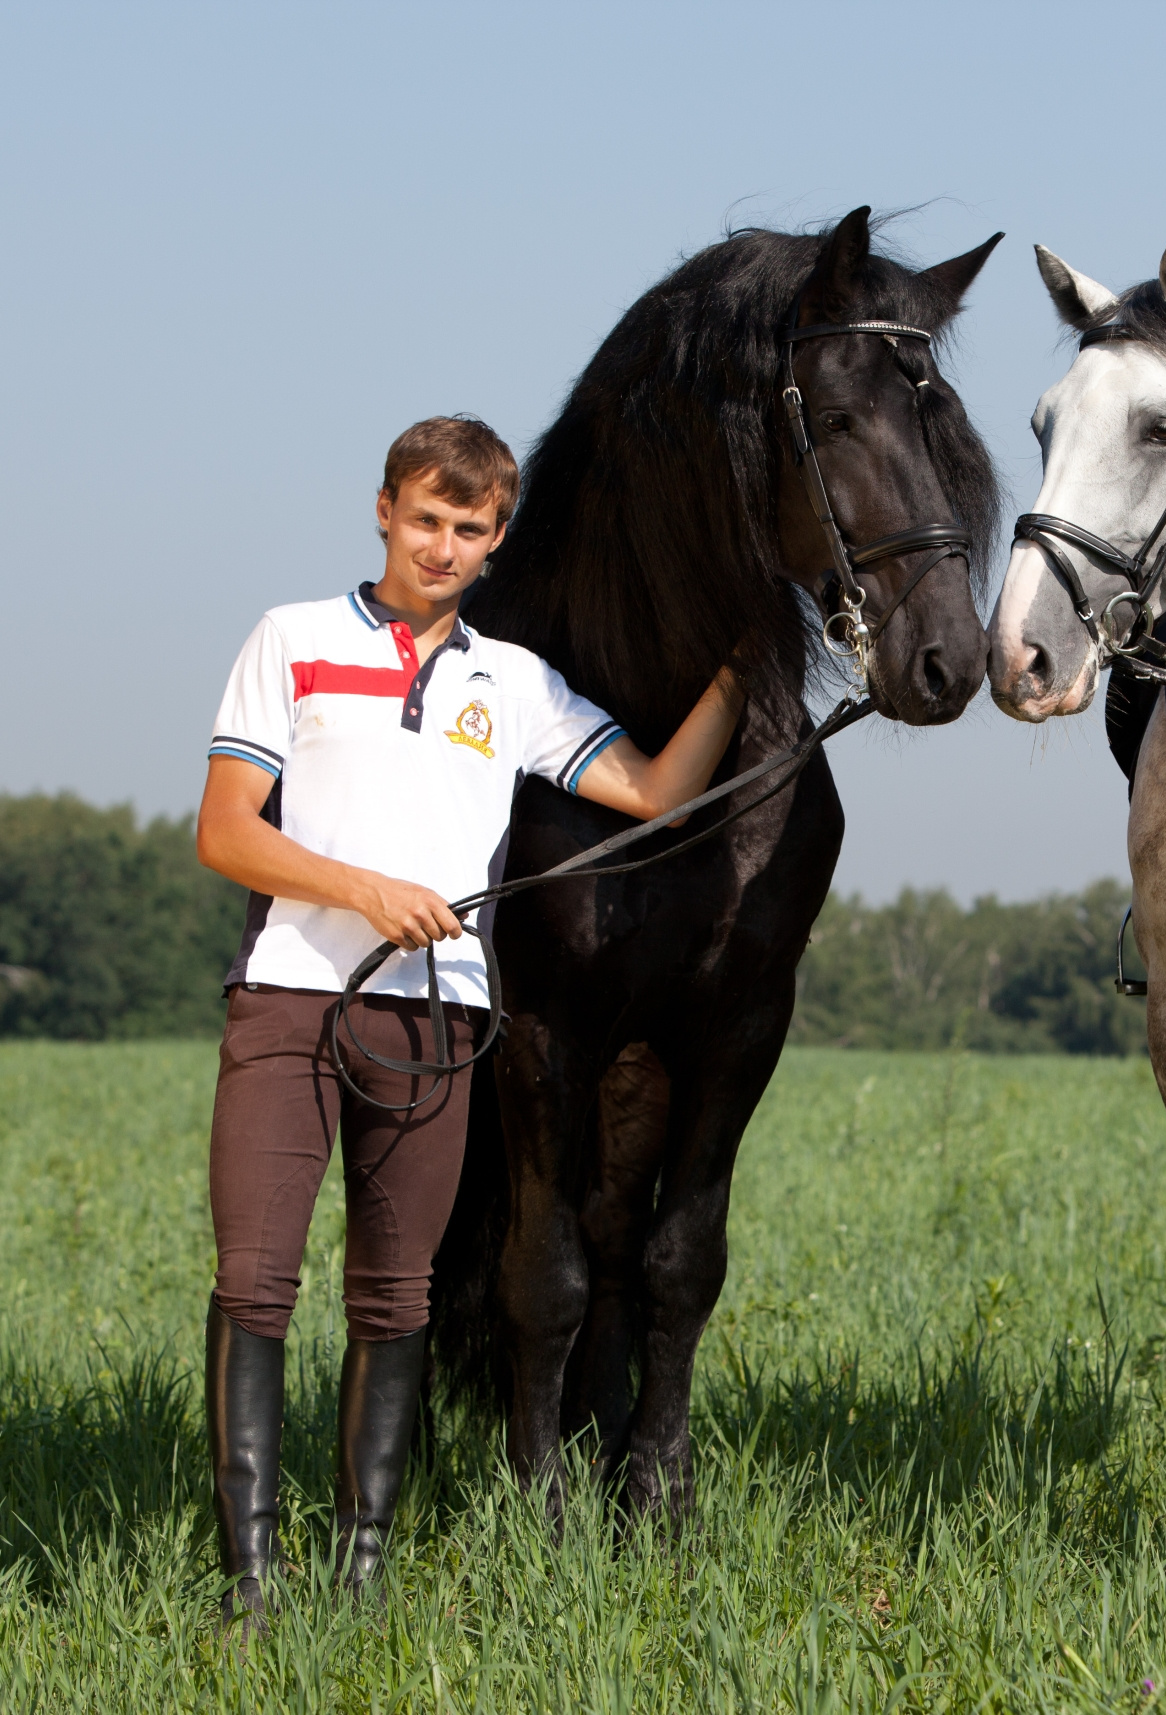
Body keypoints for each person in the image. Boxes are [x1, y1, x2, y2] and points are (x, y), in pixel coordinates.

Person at [195, 416, 748, 1630]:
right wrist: (362, 889)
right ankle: (248, 1583)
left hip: (438, 1021)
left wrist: (738, 671)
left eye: (471, 528)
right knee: (256, 1283)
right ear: (385, 510)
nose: (443, 545)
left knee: (396, 1298)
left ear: (497, 541)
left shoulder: (514, 682)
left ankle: (361, 1574)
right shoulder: (291, 639)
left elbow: (653, 791)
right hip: (290, 999)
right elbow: (225, 829)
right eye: (427, 518)